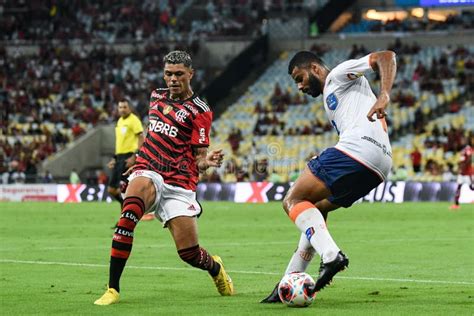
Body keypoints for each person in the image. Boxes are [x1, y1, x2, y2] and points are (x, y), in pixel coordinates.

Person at [94, 51, 234, 306]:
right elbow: (153, 132)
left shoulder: (200, 110)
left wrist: (207, 162)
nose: (172, 79)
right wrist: (139, 156)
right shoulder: (156, 96)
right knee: (128, 216)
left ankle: (215, 268)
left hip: (180, 182)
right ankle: (113, 288)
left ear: (190, 74)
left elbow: (199, 158)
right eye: (168, 73)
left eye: (179, 74)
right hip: (148, 169)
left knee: (189, 253)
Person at [261, 49, 396, 303]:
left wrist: (384, 94)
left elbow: (386, 56)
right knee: (315, 209)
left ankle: (332, 255)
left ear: (314, 68)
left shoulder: (337, 75)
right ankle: (289, 280)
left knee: (293, 200)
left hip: (358, 150)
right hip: (380, 164)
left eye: (299, 78)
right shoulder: (333, 96)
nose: (299, 86)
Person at [107, 99, 144, 208]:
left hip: (129, 157)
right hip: (119, 157)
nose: (122, 110)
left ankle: (129, 215)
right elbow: (120, 141)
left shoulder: (134, 120)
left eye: (124, 107)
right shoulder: (120, 121)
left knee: (126, 189)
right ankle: (126, 208)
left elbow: (141, 137)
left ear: (130, 108)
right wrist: (114, 158)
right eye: (120, 107)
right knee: (112, 189)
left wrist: (135, 156)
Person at [450, 144, 473, 210]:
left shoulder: (468, 149)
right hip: (462, 173)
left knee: (471, 188)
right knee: (459, 187)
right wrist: (460, 167)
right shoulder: (462, 150)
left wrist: (463, 166)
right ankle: (456, 204)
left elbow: (469, 159)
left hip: (468, 173)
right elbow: (462, 160)